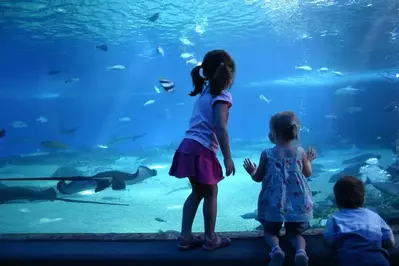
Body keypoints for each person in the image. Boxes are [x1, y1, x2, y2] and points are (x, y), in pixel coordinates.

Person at [169, 50, 236, 251]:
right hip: (202, 148)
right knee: (211, 193)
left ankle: (185, 236)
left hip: (187, 144)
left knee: (197, 192)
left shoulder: (204, 92)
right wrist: (227, 158)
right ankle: (210, 238)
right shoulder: (222, 96)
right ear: (228, 73)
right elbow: (221, 127)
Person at [243, 111, 315, 266]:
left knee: (270, 231)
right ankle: (301, 252)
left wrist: (252, 171)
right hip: (296, 201)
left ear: (273, 135)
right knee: (294, 233)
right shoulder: (300, 152)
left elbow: (258, 178)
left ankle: (276, 250)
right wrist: (308, 161)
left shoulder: (267, 153)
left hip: (274, 202)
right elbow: (307, 173)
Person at [324, 176, 395, 266]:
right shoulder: (374, 216)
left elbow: (330, 241)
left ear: (336, 200)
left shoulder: (334, 218)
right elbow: (390, 240)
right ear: (364, 198)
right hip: (379, 262)